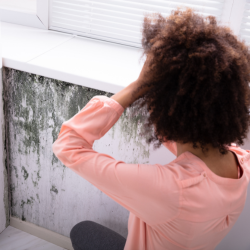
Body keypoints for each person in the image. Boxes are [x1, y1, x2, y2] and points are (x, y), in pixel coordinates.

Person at [52, 7, 250, 250]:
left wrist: (140, 85)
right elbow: (173, 136)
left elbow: (67, 145)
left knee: (81, 230)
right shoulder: (241, 162)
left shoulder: (170, 189)